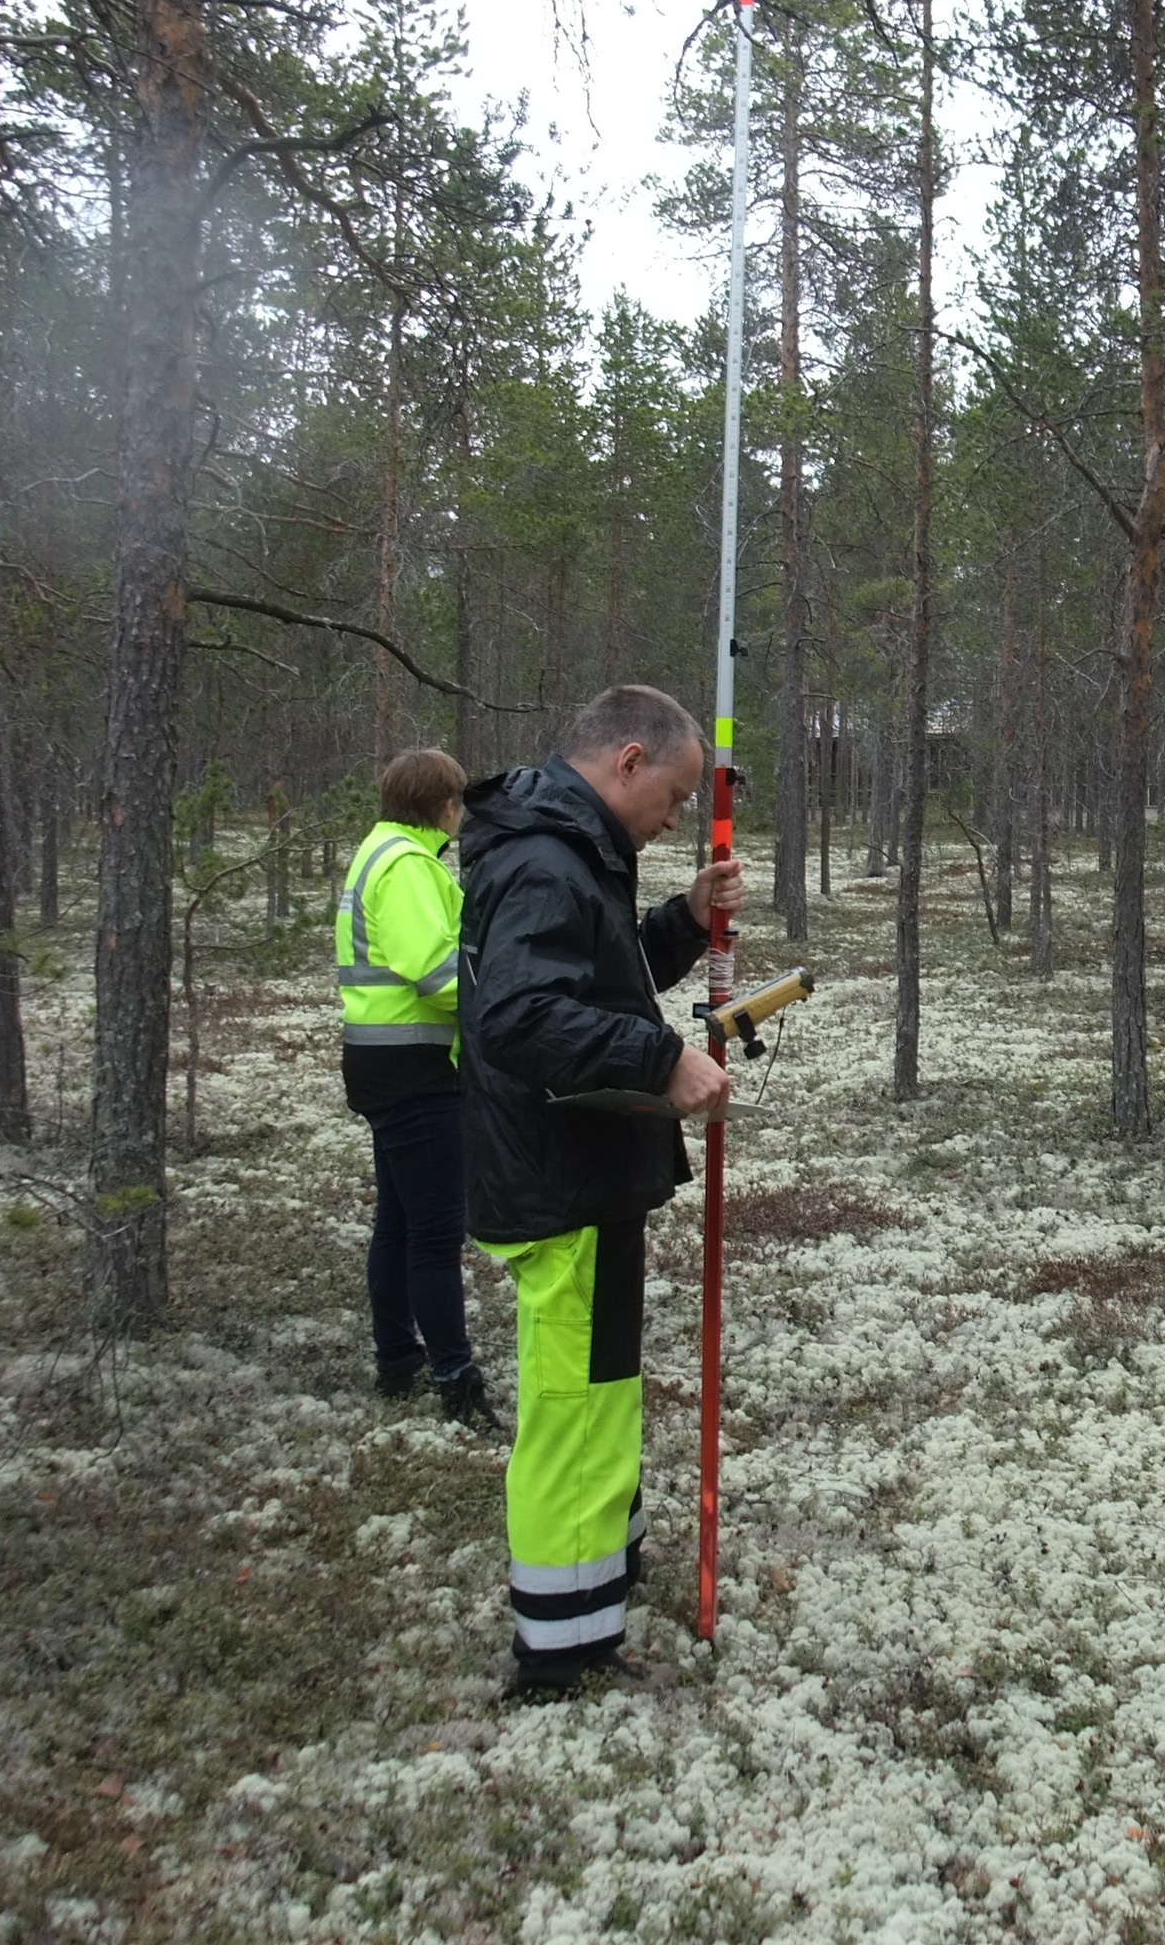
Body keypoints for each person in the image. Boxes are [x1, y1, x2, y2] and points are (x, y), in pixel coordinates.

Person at [457, 685, 743, 1699]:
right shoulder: (543, 858)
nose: (673, 820)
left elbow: (595, 975)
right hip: (558, 1182)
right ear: (626, 759)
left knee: (601, 1394)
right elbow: (524, 1016)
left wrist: (682, 921)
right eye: (669, 797)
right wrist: (660, 1058)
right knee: (573, 1413)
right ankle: (564, 1650)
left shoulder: (568, 850)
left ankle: (598, 1584)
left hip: (582, 1174)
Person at [337, 748, 497, 1430]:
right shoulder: (404, 864)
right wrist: (503, 1010)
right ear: (443, 804)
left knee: (399, 1224)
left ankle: (398, 1357)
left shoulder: (384, 851)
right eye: (459, 801)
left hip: (387, 1062)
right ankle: (455, 1379)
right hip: (414, 1068)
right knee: (435, 1233)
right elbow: (432, 971)